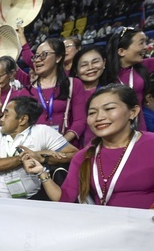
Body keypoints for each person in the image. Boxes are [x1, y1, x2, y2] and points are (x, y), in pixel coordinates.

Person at [23, 84, 154, 208]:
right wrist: (41, 172)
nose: (99, 117)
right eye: (92, 113)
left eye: (109, 109)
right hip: (104, 226)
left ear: (133, 112)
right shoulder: (84, 156)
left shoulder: (150, 144)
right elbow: (64, 198)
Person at [0, 96, 78, 199]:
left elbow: (75, 155)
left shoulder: (42, 132)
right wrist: (27, 157)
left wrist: (43, 158)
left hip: (33, 200)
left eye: (6, 114)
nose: (1, 119)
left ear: (22, 119)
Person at [15, 38, 89, 146]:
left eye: (44, 55)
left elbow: (80, 121)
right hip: (36, 151)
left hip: (66, 148)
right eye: (36, 56)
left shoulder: (73, 85)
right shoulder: (26, 92)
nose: (37, 60)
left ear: (58, 57)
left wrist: (59, 144)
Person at [104, 27, 154, 132]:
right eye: (141, 43)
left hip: (140, 128)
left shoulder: (142, 66)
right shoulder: (105, 73)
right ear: (122, 51)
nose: (145, 47)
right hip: (115, 131)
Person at [69, 45, 107, 147]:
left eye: (95, 62)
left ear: (104, 63)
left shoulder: (112, 91)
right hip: (74, 149)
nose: (90, 68)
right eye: (84, 65)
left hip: (106, 145)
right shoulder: (68, 93)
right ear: (76, 71)